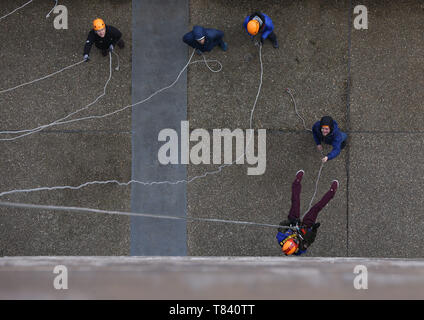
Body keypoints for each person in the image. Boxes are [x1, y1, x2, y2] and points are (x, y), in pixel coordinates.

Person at [276, 170, 339, 256]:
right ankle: (332, 192)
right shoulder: (301, 248)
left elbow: (282, 225)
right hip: (305, 228)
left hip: (293, 222)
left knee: (295, 202)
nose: (295, 239)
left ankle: (297, 181)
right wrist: (314, 229)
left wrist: (291, 222)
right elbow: (310, 239)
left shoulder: (281, 238)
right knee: (315, 208)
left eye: (293, 240)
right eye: (296, 242)